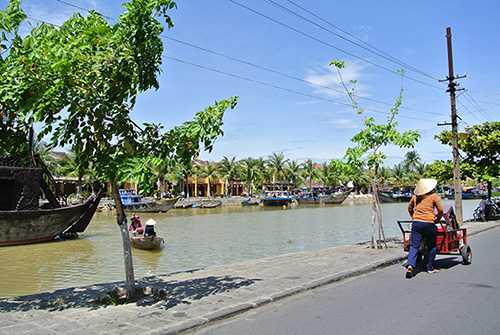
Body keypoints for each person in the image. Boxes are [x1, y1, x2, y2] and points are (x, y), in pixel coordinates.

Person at [406, 178, 443, 279]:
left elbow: (409, 208)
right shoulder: (433, 196)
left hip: (416, 223)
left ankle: (410, 265)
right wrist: (437, 219)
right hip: (429, 223)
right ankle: (430, 268)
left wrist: (414, 217)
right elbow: (440, 210)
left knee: (414, 245)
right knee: (432, 246)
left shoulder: (415, 197)